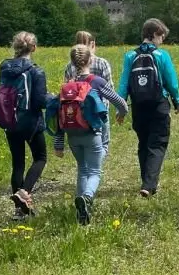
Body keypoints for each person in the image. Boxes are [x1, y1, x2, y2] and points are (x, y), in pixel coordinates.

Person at [54, 44, 129, 225]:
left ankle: (81, 211)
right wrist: (122, 113)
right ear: (90, 60)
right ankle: (87, 198)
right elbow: (120, 102)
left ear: (72, 62)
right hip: (92, 133)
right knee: (95, 170)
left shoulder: (66, 87)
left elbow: (59, 115)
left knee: (82, 169)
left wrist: (58, 143)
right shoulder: (97, 82)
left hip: (72, 136)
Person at [117, 18, 179, 197]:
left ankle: (146, 180)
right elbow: (171, 82)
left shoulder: (130, 56)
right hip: (158, 105)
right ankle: (149, 184)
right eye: (161, 36)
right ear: (154, 34)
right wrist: (177, 101)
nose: (162, 40)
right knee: (158, 144)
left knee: (143, 143)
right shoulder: (161, 55)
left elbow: (124, 83)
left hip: (138, 106)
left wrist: (121, 107)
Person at [0, 31, 49, 219]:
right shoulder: (36, 71)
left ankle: (18, 211)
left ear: (15, 46)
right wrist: (54, 98)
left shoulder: (4, 67)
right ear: (33, 48)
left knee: (17, 163)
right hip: (31, 122)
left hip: (9, 119)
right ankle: (24, 192)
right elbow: (40, 101)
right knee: (40, 158)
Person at [64, 30, 114, 154]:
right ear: (92, 44)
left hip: (77, 115)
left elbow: (67, 91)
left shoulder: (70, 66)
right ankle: (95, 166)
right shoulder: (102, 63)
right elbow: (110, 89)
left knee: (82, 150)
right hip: (100, 112)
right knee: (103, 146)